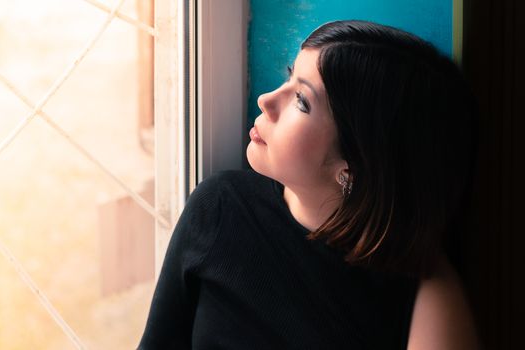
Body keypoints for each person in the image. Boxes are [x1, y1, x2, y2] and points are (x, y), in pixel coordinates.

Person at [138, 20, 480, 349]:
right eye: (290, 77)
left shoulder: (422, 292)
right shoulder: (219, 208)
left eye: (301, 100)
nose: (267, 100)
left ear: (354, 167)